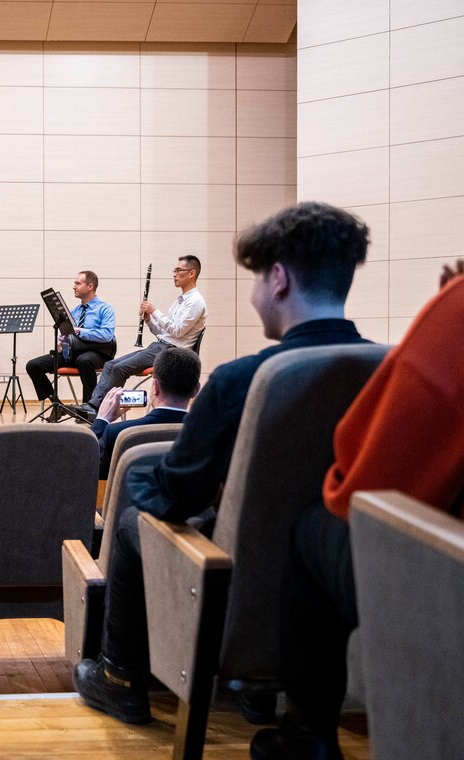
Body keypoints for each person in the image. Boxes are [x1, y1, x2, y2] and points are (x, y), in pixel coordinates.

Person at [249, 184, 464, 760]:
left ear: (279, 279)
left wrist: (455, 310)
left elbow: (365, 488)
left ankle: (309, 736)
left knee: (315, 526)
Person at [72, 202, 372, 729]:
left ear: (278, 279)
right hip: (346, 575)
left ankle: (121, 679)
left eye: (256, 278)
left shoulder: (241, 381)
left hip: (246, 579)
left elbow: (180, 493)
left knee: (131, 515)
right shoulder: (390, 370)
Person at [73, 256, 206, 420]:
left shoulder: (195, 302)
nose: (174, 274)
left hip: (173, 353)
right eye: (174, 270)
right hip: (161, 346)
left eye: (179, 270)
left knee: (118, 369)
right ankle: (93, 406)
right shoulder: (180, 301)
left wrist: (154, 310)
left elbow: (177, 331)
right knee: (110, 365)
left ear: (191, 273)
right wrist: (149, 319)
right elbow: (164, 333)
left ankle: (96, 410)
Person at [92, 347, 200, 479]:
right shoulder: (208, 433)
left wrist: (102, 420)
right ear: (196, 390)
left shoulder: (117, 433)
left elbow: (86, 466)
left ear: (155, 387)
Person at [26, 270, 116, 420]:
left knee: (84, 360)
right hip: (74, 351)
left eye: (77, 283)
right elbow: (67, 333)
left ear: (90, 286)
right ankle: (58, 405)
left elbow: (107, 335)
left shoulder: (105, 309)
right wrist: (61, 341)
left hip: (98, 351)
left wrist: (80, 331)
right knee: (33, 366)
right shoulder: (73, 311)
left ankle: (89, 409)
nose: (73, 287)